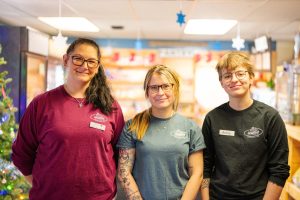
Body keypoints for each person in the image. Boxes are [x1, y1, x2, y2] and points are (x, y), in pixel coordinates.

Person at [12, 38, 125, 200]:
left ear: (97, 66)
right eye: (78, 59)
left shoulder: (110, 106)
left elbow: (120, 153)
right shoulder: (42, 104)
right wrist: (43, 184)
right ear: (66, 60)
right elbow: (21, 154)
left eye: (91, 61)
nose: (84, 66)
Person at [200, 52, 290, 200]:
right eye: (227, 76)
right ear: (221, 82)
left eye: (240, 74)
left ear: (251, 78)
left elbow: (279, 170)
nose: (234, 79)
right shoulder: (212, 118)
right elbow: (205, 166)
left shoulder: (270, 117)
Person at [117, 64, 206, 200]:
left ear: (175, 89)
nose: (160, 92)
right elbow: (124, 172)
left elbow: (197, 173)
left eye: (166, 86)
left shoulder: (190, 128)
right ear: (147, 92)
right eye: (154, 87)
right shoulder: (133, 126)